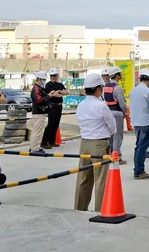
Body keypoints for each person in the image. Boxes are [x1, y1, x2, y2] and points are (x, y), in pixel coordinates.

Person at [73, 72, 116, 211]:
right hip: (99, 144)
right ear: (98, 89)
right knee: (100, 180)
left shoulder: (81, 105)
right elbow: (113, 126)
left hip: (84, 143)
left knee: (83, 178)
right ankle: (100, 209)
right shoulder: (101, 106)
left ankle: (79, 208)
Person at [128, 68, 149, 179]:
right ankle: (139, 171)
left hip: (136, 122)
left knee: (138, 147)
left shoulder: (133, 91)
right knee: (142, 148)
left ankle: (137, 168)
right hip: (146, 122)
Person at [103, 66, 128, 164]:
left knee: (111, 135)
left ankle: (110, 154)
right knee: (118, 136)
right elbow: (122, 104)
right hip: (117, 113)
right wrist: (125, 112)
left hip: (109, 112)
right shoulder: (117, 88)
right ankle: (117, 156)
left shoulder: (106, 87)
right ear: (117, 75)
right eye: (120, 74)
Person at [41, 68, 69, 149]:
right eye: (51, 76)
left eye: (54, 76)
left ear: (57, 76)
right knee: (51, 124)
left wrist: (59, 92)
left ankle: (52, 141)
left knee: (56, 124)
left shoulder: (60, 84)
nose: (52, 77)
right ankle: (44, 142)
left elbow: (66, 92)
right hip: (52, 106)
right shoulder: (48, 85)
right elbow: (54, 95)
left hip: (59, 105)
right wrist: (60, 93)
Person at [29, 71, 50, 153]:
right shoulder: (36, 88)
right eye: (43, 79)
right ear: (38, 79)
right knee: (37, 131)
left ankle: (34, 146)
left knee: (37, 131)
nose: (44, 81)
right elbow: (39, 100)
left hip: (40, 111)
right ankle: (35, 148)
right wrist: (49, 96)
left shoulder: (39, 88)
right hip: (38, 112)